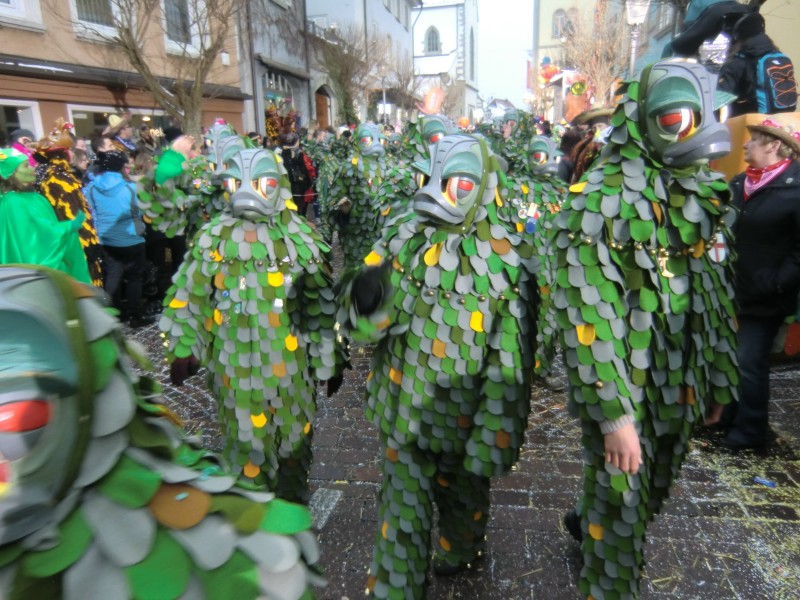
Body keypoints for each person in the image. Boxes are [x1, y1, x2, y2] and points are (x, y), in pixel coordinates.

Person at [554, 59, 739, 599]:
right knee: (622, 511)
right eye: (677, 117)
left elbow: (719, 294)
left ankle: (588, 519)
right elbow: (588, 317)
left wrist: (718, 380)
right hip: (626, 388)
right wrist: (613, 414)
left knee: (650, 492)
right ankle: (604, 557)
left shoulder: (708, 198)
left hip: (679, 385)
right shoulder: (598, 202)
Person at [715, 119, 800, 450]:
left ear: (774, 145)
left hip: (766, 293)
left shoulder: (794, 188)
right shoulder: (740, 183)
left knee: (750, 362)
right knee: (732, 357)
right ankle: (727, 417)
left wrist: (778, 282)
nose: (745, 146)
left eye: (753, 141)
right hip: (735, 286)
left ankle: (750, 432)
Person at [84, 147, 152, 327]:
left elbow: (91, 211)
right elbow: (142, 209)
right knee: (134, 278)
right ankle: (135, 315)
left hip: (106, 239)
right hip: (131, 238)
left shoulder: (91, 187)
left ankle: (112, 314)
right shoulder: (130, 187)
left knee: (113, 275)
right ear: (122, 167)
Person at [0, 147, 91, 283]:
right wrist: (67, 227)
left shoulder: (34, 196)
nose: (32, 169)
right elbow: (33, 240)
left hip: (51, 268)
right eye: (26, 166)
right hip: (37, 277)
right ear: (12, 175)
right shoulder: (13, 203)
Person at [34, 119, 104, 287]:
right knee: (86, 285)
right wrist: (90, 242)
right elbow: (75, 214)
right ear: (64, 153)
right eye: (71, 149)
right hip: (76, 244)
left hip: (67, 241)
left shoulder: (49, 177)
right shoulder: (61, 179)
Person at [717, 12, 796, 116]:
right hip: (785, 120)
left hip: (752, 121)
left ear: (736, 35)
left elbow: (720, 100)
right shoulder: (777, 54)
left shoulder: (738, 62)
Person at [280, 132, 316, 217]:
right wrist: (310, 183)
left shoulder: (282, 152)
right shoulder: (299, 153)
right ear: (296, 141)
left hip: (286, 183)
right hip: (299, 185)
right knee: (300, 209)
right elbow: (304, 169)